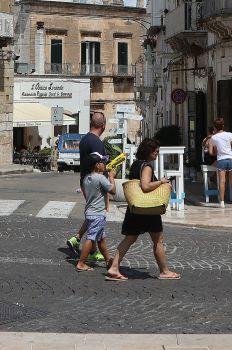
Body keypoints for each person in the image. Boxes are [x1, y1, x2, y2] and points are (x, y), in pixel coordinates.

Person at [105, 138, 180, 281]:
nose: (157, 153)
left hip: (136, 208)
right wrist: (161, 182)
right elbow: (145, 186)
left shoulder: (135, 165)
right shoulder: (147, 167)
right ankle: (164, 271)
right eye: (156, 151)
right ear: (149, 152)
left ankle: (114, 267)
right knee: (158, 240)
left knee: (130, 238)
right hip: (148, 209)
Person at [66, 111, 108, 261]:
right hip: (95, 184)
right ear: (103, 126)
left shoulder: (84, 140)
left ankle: (86, 246)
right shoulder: (97, 142)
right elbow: (101, 166)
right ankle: (82, 244)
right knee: (96, 215)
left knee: (92, 214)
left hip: (84, 180)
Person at [75, 152, 114, 272]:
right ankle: (81, 263)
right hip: (97, 214)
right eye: (102, 162)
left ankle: (108, 260)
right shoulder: (100, 178)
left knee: (101, 238)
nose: (104, 164)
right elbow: (112, 190)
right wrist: (111, 176)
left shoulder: (87, 178)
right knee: (91, 238)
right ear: (97, 165)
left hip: (90, 211)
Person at [206, 118, 232, 207]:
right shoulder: (229, 135)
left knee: (222, 181)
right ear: (223, 126)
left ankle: (222, 202)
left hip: (221, 160)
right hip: (231, 159)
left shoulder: (213, 138)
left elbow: (210, 152)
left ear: (215, 127)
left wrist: (217, 152)